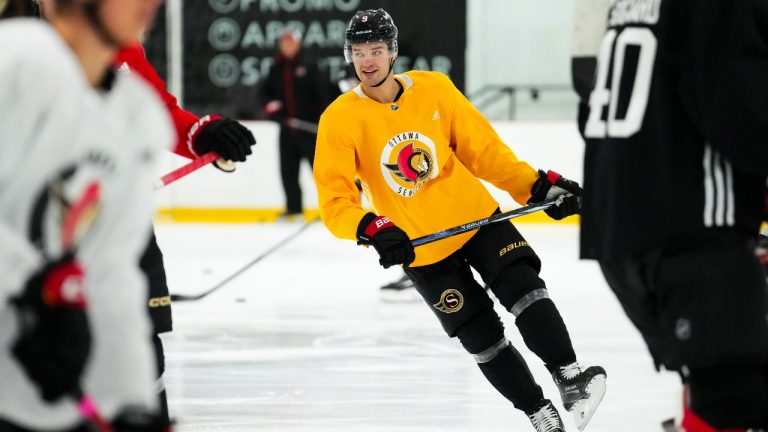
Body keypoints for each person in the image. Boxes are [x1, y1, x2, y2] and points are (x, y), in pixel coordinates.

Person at [314, 9, 607, 431]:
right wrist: (372, 228)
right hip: (421, 250)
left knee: (526, 289)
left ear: (393, 51)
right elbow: (335, 202)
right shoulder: (339, 118)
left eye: (376, 50)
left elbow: (485, 153)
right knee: (481, 338)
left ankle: (570, 377)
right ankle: (539, 414)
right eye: (359, 52)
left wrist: (537, 187)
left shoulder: (435, 89)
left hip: (478, 221)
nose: (368, 61)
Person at [579, 0, 768, 430]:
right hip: (694, 236)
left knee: (723, 381)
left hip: (622, 232)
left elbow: (588, 111)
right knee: (731, 400)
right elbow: (745, 116)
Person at [0, 0, 173, 430]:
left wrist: (129, 402)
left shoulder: (137, 117)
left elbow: (112, 274)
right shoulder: (14, 62)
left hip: (48, 402)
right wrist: (33, 286)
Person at [113, 41, 256, 422]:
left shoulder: (119, 42)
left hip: (120, 225)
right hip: (34, 232)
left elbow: (158, 113)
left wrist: (201, 134)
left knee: (140, 356)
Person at [260, 29, 331, 220]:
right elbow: (266, 95)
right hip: (287, 129)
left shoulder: (310, 65)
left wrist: (321, 120)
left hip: (309, 130)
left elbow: (323, 95)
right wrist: (274, 110)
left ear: (298, 43)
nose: (286, 46)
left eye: (290, 42)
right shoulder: (276, 68)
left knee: (320, 173)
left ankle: (330, 209)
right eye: (283, 42)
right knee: (288, 170)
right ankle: (293, 208)